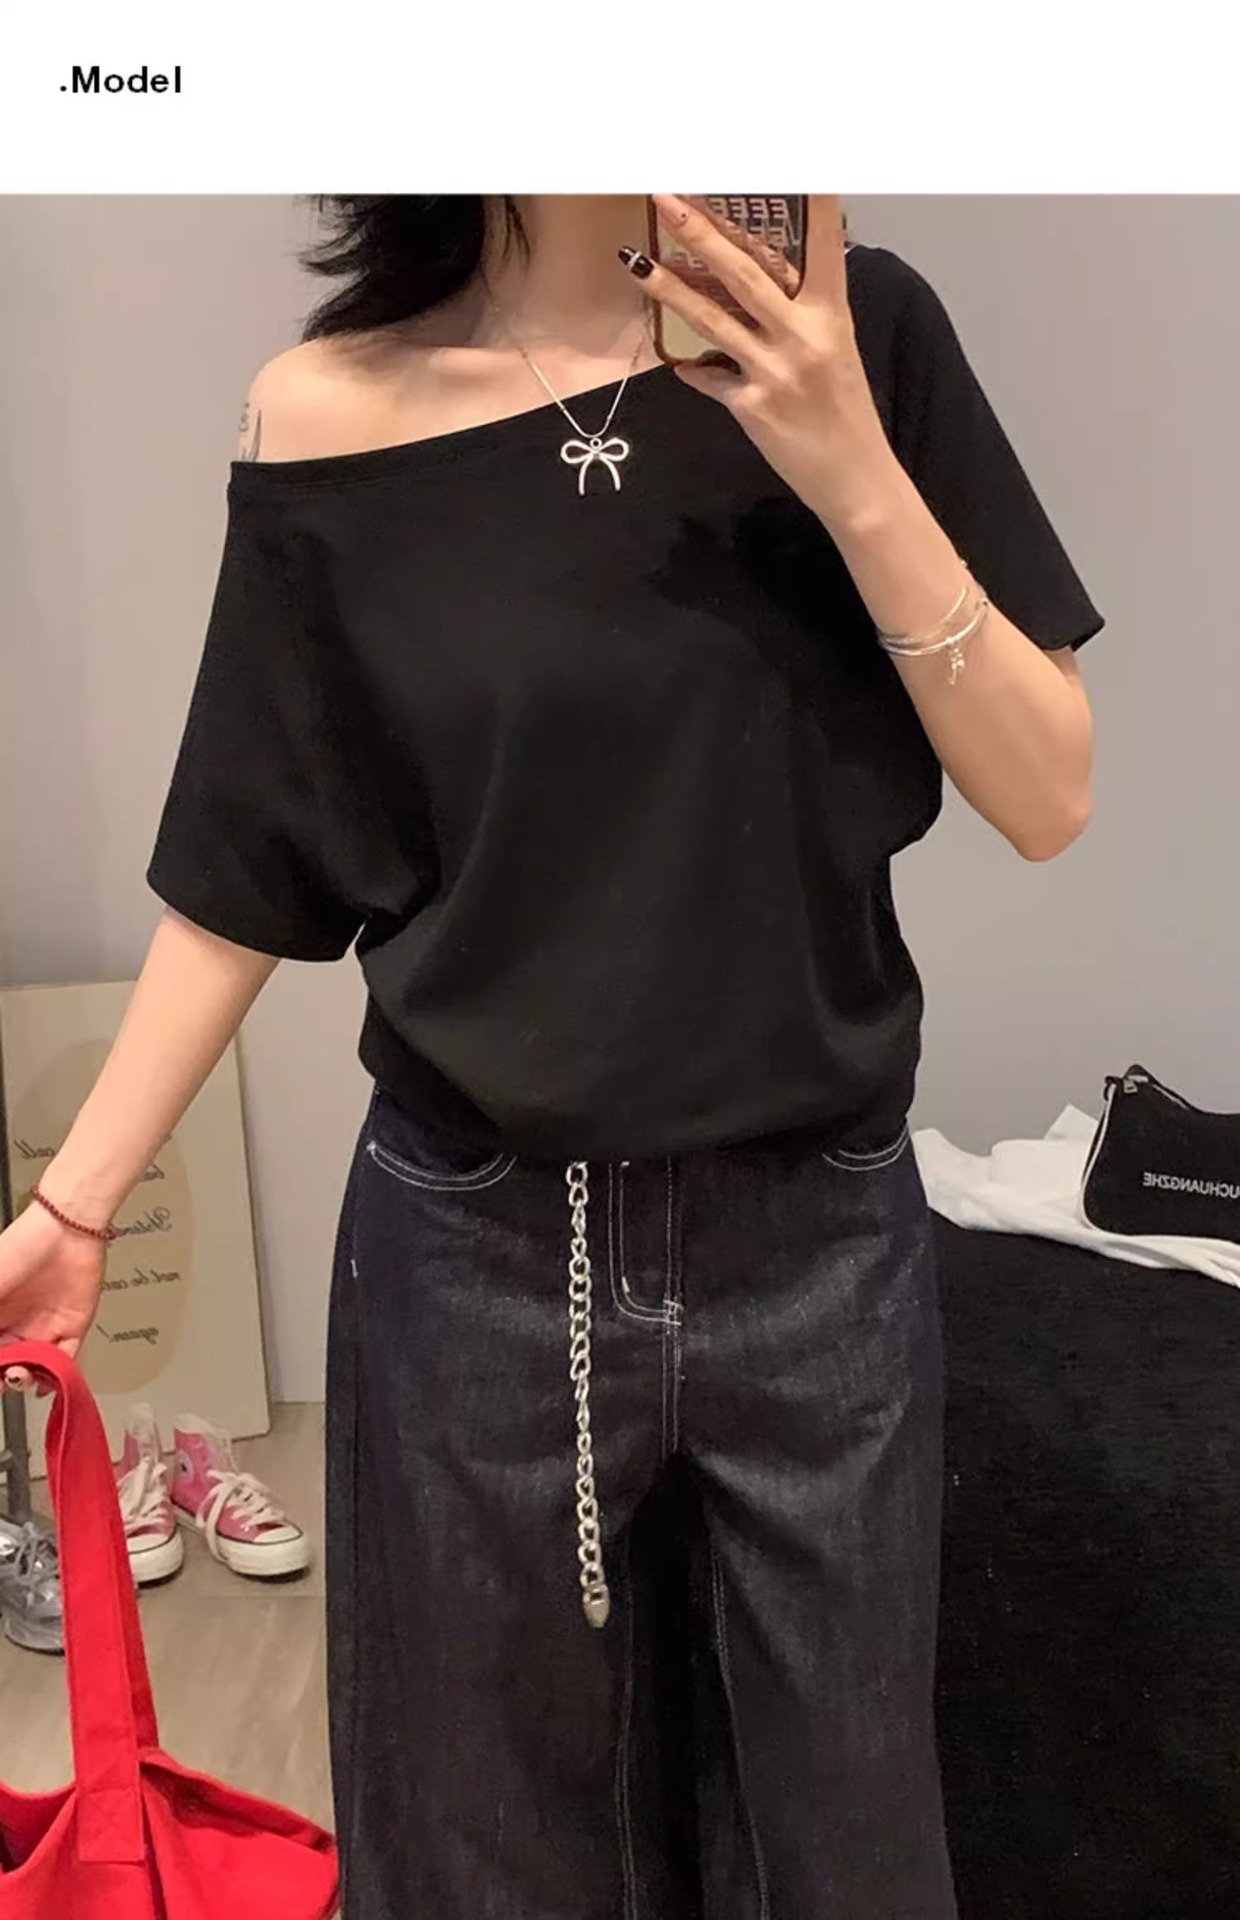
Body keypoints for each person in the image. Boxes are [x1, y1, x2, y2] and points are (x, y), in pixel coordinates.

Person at [0, 194, 1102, 1918]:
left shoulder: (858, 329)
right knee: (476, 1855)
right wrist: (77, 1207)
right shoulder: (331, 413)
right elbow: (251, 856)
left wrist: (847, 462)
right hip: (474, 1255)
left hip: (820, 1247)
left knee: (847, 1853)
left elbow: (1050, 794)